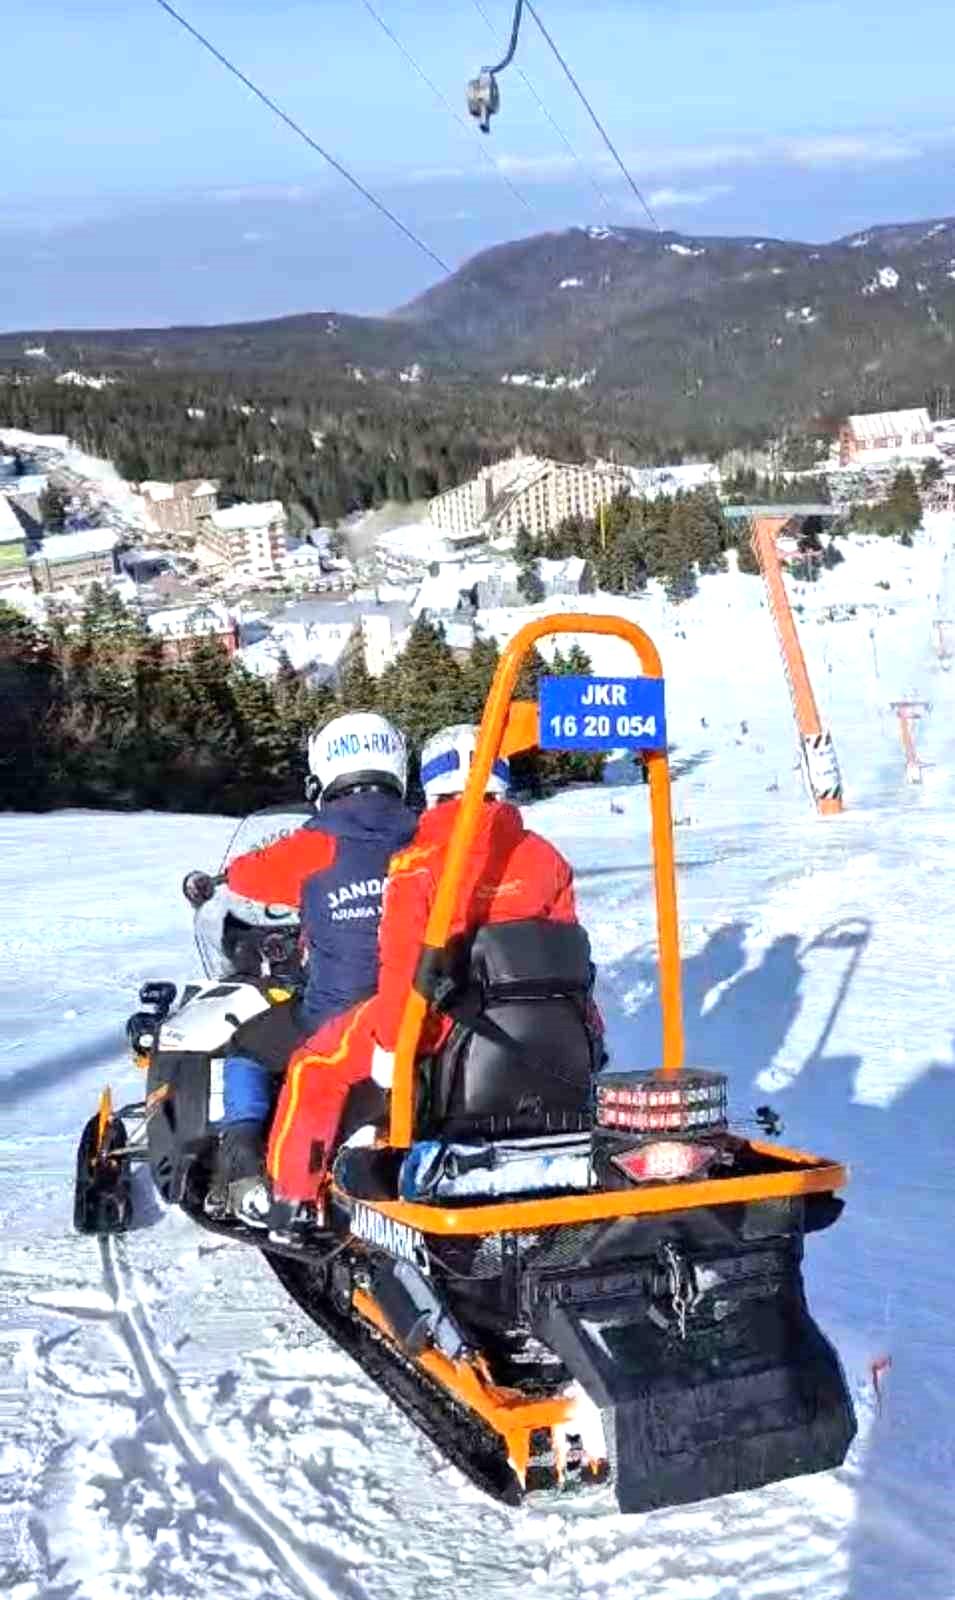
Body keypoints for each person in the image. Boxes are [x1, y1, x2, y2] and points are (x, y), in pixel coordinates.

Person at [267, 722, 584, 1210]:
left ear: (431, 790)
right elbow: (570, 952)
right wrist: (590, 1029)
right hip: (551, 1025)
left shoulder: (419, 861)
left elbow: (401, 966)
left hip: (447, 1021)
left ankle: (293, 1199)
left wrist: (393, 1045)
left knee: (313, 1066)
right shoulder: (547, 858)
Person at [187, 711, 416, 1224]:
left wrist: (227, 875)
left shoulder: (315, 842)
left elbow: (248, 877)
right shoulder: (423, 835)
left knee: (246, 1044)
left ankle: (242, 1162)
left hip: (338, 1017)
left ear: (324, 770)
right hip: (417, 1017)